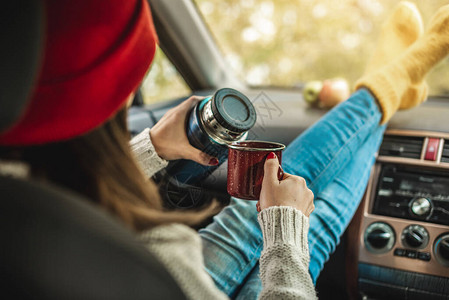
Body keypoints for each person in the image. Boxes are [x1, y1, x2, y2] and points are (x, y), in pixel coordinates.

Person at [0, 0, 448, 299]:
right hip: (164, 281)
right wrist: (286, 231)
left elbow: (72, 185)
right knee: (306, 227)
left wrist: (153, 146)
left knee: (252, 214)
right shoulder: (166, 252)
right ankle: (390, 83)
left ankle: (384, 93)